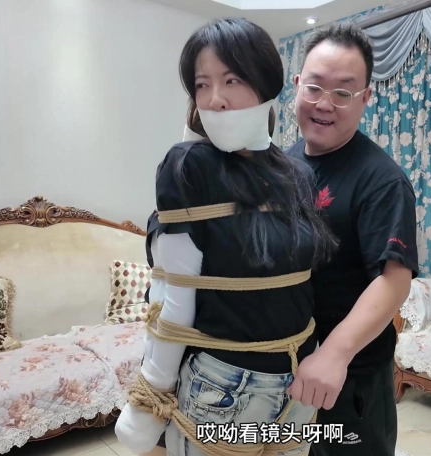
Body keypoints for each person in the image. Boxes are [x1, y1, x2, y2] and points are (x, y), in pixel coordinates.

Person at [115, 17, 339, 456]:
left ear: (266, 84)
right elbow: (175, 296)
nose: (215, 98)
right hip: (226, 385)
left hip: (299, 379)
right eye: (202, 85)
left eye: (232, 79)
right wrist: (151, 393)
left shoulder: (295, 173)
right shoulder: (188, 166)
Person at [284, 23, 419, 456]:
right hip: (286, 368)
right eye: (315, 87)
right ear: (297, 85)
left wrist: (334, 354)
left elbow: (394, 280)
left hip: (347, 376)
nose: (325, 104)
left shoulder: (382, 180)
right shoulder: (282, 164)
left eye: (343, 92)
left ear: (365, 98)